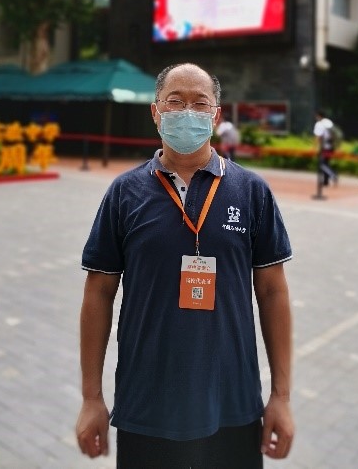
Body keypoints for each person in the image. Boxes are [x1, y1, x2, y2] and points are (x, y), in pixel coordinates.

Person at [76, 62, 294, 469]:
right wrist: (91, 398)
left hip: (232, 405)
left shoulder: (252, 192)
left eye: (200, 103)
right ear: (156, 112)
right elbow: (98, 293)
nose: (187, 112)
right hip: (147, 405)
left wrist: (281, 397)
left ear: (216, 115)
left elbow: (272, 292)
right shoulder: (124, 193)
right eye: (175, 102)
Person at [313, 109, 338, 186]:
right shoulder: (329, 122)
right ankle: (326, 181)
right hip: (332, 146)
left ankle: (333, 174)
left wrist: (314, 147)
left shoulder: (319, 124)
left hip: (324, 147)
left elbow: (318, 136)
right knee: (326, 162)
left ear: (319, 116)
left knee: (322, 164)